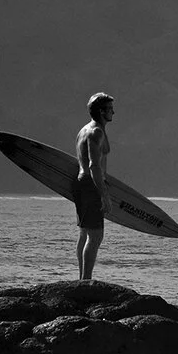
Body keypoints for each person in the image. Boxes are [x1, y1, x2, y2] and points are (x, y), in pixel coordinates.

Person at [74, 92, 115, 281]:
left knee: (85, 233)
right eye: (109, 109)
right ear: (101, 111)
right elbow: (93, 165)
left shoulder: (84, 130)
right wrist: (104, 195)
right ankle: (86, 280)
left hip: (81, 184)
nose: (113, 112)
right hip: (91, 185)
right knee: (96, 236)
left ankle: (82, 279)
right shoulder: (96, 131)